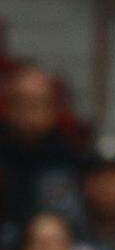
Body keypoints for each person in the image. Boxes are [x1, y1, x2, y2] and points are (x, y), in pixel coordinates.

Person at [0, 66, 85, 230]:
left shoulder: (69, 157)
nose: (28, 113)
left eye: (36, 104)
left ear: (52, 110)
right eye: (20, 103)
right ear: (7, 108)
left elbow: (71, 221)